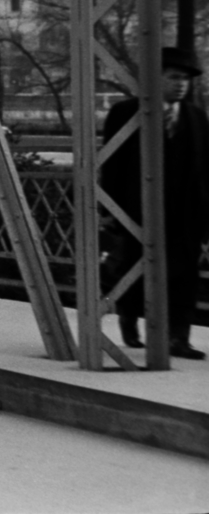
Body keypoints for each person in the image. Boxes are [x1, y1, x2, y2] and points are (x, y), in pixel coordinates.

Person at [100, 46, 209, 359]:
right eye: (174, 77)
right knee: (137, 268)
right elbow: (114, 165)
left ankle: (178, 338)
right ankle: (130, 318)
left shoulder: (197, 118)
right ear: (155, 79)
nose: (181, 84)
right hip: (139, 212)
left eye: (185, 79)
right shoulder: (126, 113)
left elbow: (204, 168)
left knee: (185, 276)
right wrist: (112, 212)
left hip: (186, 215)